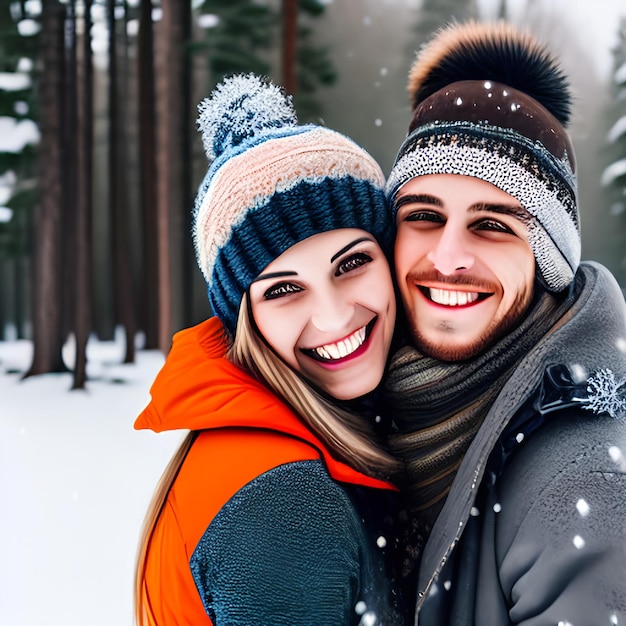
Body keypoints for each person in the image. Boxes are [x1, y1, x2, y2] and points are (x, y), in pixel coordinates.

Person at [133, 74, 405, 625]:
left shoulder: (287, 442)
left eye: (352, 263)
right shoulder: (281, 503)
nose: (332, 316)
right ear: (244, 320)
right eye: (283, 290)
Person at [383, 20, 626, 625]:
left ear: (548, 259)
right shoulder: (370, 404)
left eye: (492, 225)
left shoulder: (584, 482)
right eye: (423, 215)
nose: (447, 258)